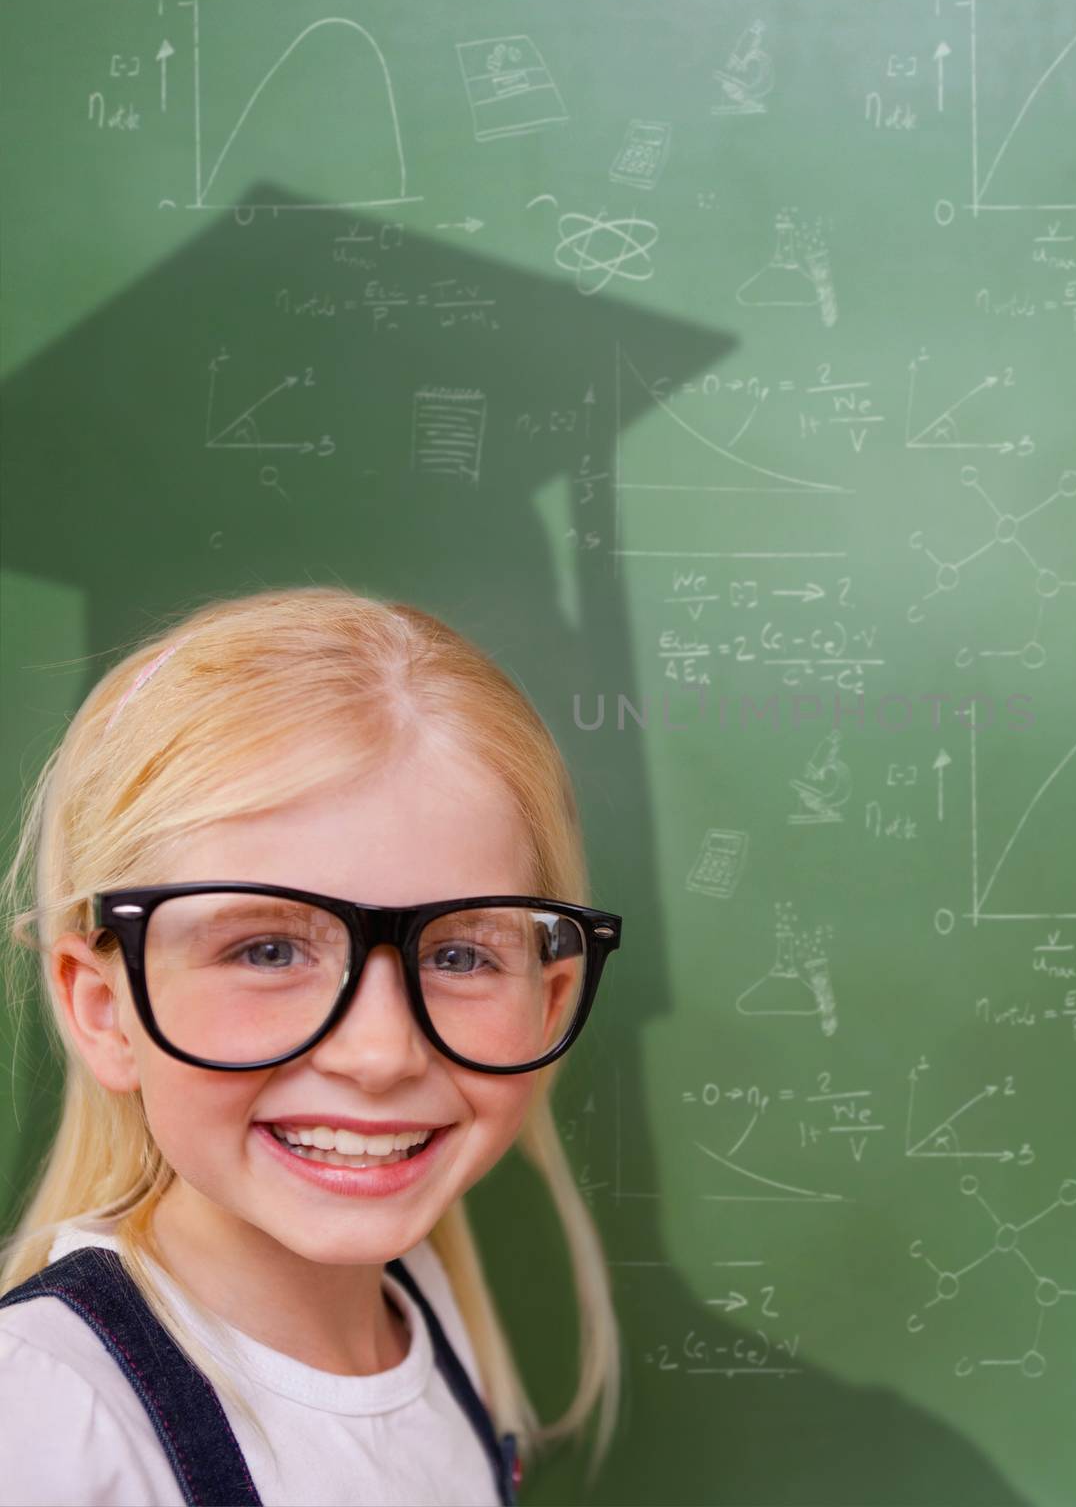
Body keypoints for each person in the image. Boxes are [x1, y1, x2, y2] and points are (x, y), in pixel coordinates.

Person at [0, 586, 625, 1504]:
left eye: (459, 954)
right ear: (104, 1008)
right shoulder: (45, 1416)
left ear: (550, 997)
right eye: (267, 950)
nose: (381, 1054)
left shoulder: (431, 1324)